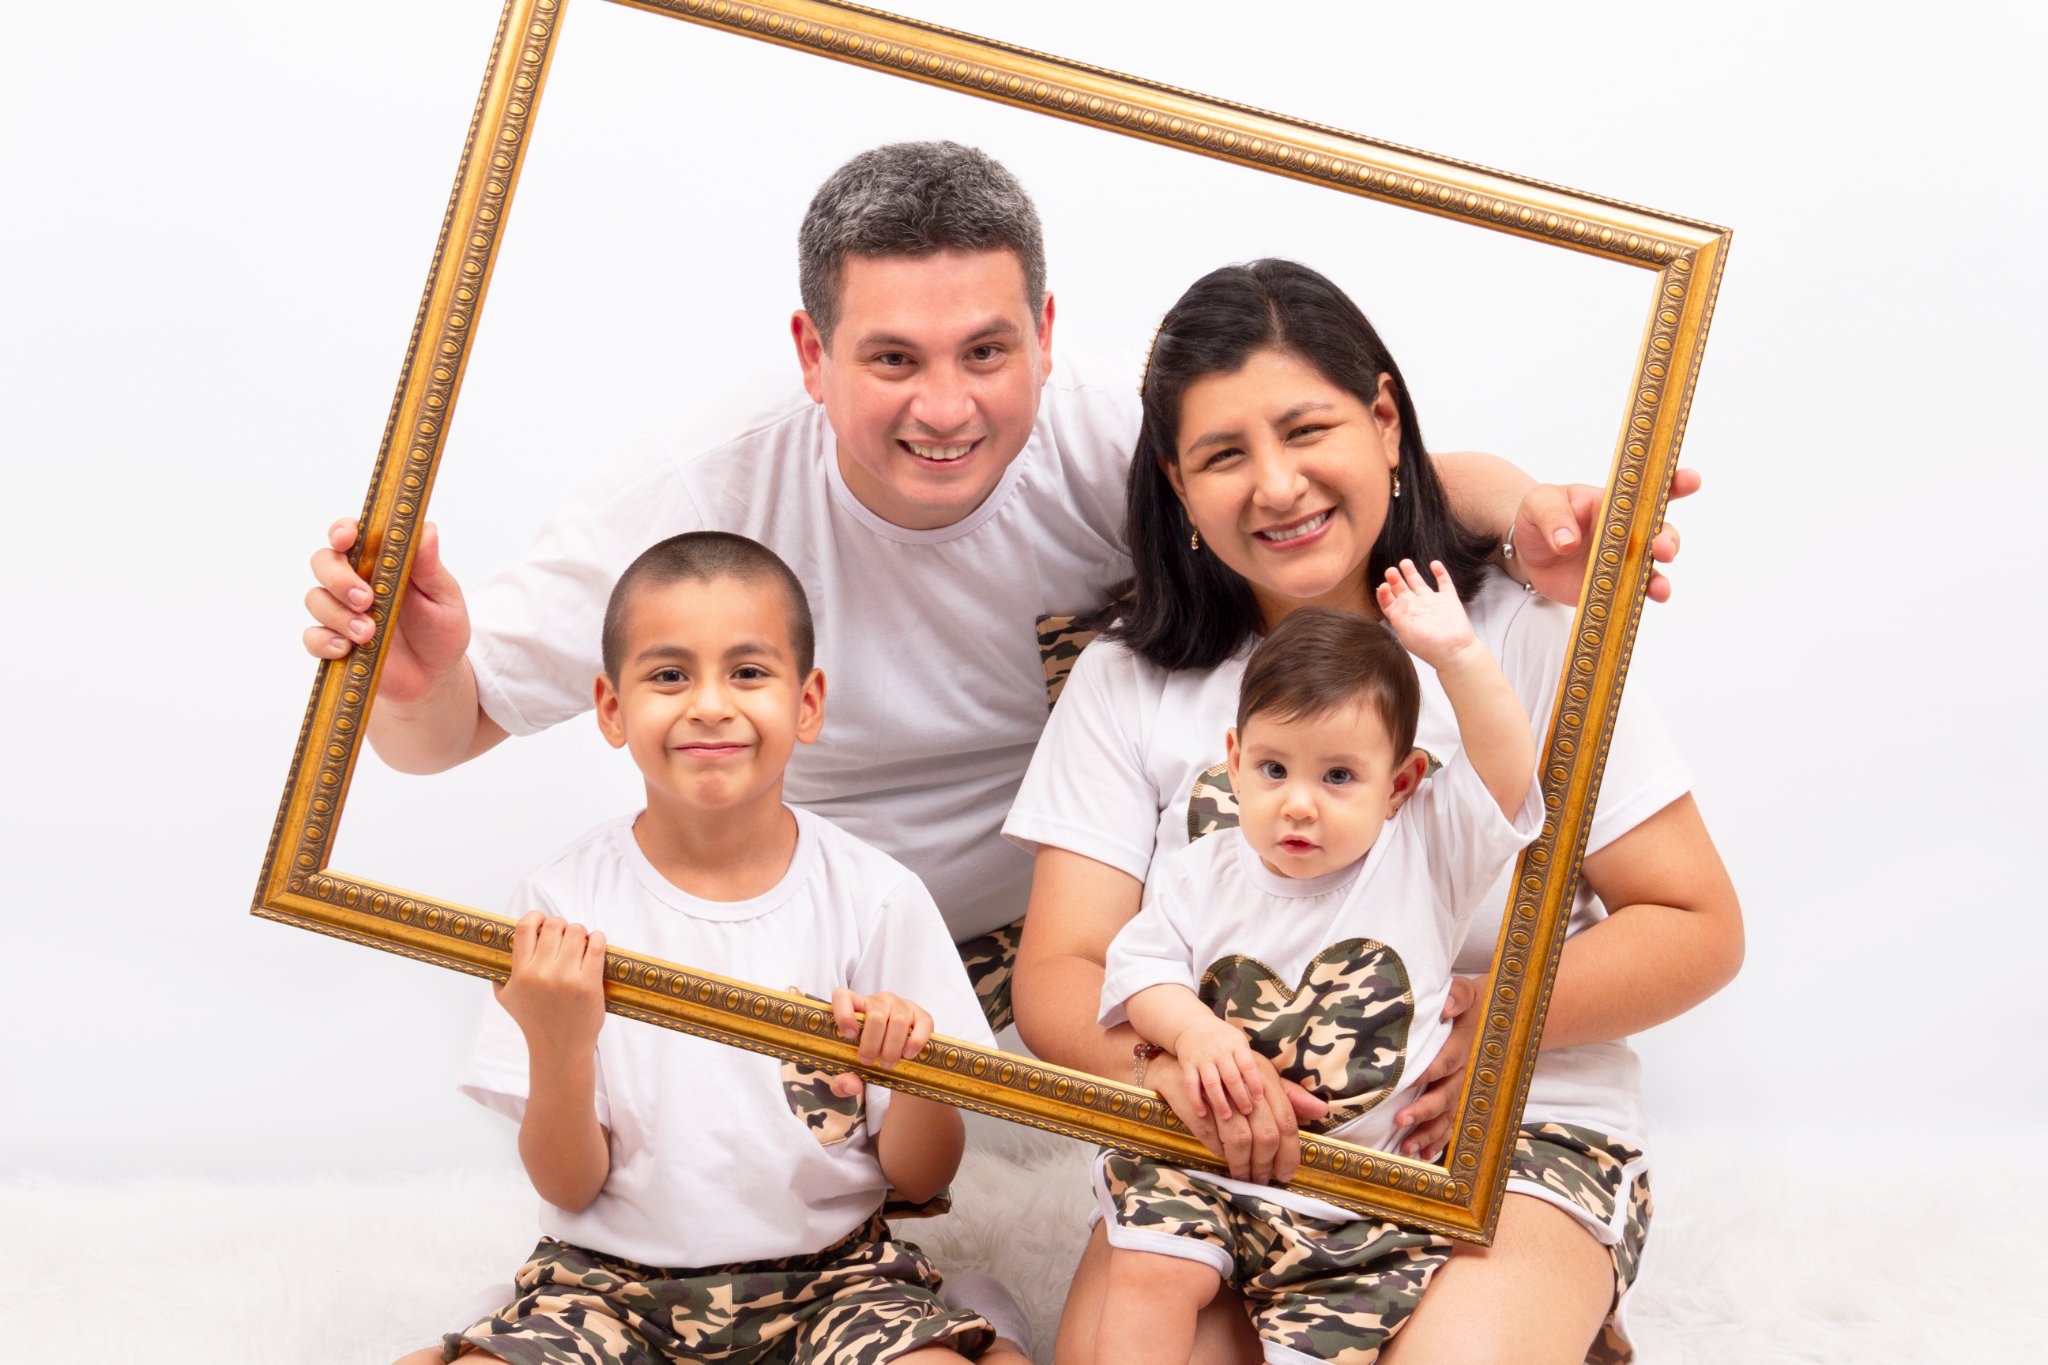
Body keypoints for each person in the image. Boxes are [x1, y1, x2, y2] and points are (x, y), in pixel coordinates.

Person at [298, 141, 1687, 1035]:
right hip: (827, 921)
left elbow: (1338, 482)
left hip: (1091, 917)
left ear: (1046, 333)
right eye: (892, 360)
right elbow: (444, 732)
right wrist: (408, 682)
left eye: (986, 351)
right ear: (811, 350)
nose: (947, 409)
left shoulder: (1107, 438)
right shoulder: (702, 492)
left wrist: (1525, 521)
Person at [1003, 259, 1742, 1364]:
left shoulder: (1519, 634)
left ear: (1384, 420)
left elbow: (1694, 925)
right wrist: (1175, 1077)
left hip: (1497, 1132)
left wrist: (1493, 1022)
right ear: (1174, 482)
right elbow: (1061, 970)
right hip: (1223, 1162)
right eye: (1221, 455)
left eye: (1308, 432)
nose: (1277, 486)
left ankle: (1545, 1303)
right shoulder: (1129, 680)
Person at [406, 531, 1026, 1365]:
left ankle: (975, 1321)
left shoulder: (875, 895)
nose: (708, 703)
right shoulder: (564, 901)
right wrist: (561, 1046)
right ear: (612, 708)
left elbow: (921, 1177)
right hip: (605, 1284)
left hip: (834, 1279)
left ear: (808, 703)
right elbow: (567, 1185)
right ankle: (499, 1319)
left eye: (747, 671)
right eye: (669, 674)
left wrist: (908, 1076)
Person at [1088, 575, 1543, 1365]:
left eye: (1338, 776)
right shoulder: (1205, 869)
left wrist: (1458, 653)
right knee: (1147, 1272)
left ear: (1399, 784)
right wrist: (1192, 1033)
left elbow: (1507, 765)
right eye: (1273, 770)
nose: (1299, 805)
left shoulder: (1427, 855)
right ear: (1233, 762)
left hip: (1363, 1203)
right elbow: (1141, 969)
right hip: (1208, 1160)